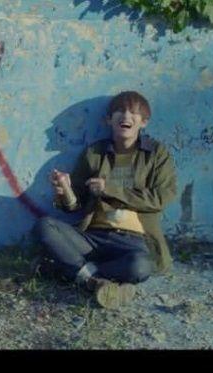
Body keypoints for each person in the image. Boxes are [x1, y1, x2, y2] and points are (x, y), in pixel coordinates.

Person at [34, 91, 177, 308]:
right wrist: (65, 190)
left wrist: (109, 189)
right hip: (93, 238)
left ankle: (67, 272)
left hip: (134, 242)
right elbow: (75, 206)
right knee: (45, 225)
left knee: (140, 267)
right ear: (108, 119)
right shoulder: (94, 152)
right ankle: (94, 282)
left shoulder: (156, 154)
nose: (125, 116)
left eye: (133, 112)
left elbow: (160, 198)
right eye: (119, 111)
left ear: (144, 122)